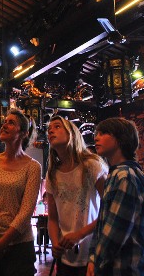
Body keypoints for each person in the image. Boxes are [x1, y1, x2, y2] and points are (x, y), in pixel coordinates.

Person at [0, 108, 42, 276]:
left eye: (11, 123)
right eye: (5, 122)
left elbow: (26, 211)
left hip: (18, 245)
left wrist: (2, 243)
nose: (4, 125)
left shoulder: (33, 167)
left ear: (24, 133)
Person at [45, 115, 108, 276]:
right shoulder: (52, 174)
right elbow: (52, 218)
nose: (51, 130)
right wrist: (54, 242)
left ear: (71, 133)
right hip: (65, 254)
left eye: (57, 126)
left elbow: (109, 209)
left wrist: (80, 234)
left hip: (93, 251)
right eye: (49, 128)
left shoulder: (91, 165)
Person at [88, 117, 144, 276]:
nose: (96, 138)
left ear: (120, 139)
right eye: (97, 133)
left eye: (103, 133)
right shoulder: (115, 174)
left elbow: (116, 231)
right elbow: (103, 222)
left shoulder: (125, 176)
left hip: (124, 268)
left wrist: (96, 261)